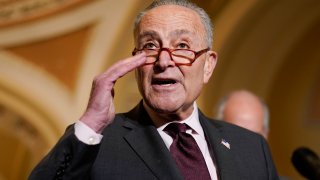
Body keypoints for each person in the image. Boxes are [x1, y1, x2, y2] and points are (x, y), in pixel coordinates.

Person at [29, 1, 279, 179]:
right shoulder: (98, 142)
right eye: (150, 45)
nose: (163, 61)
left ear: (208, 65)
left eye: (182, 45)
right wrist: (91, 124)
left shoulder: (251, 147)